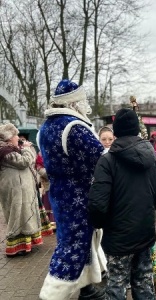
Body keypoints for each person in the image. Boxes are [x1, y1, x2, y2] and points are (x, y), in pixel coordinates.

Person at [88, 108, 156, 300]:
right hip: (144, 233)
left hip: (118, 237)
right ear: (137, 129)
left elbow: (98, 204)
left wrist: (103, 223)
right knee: (143, 283)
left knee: (117, 286)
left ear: (115, 132)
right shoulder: (151, 155)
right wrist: (145, 208)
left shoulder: (107, 161)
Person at [38, 79, 106, 300]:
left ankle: (86, 288)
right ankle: (51, 294)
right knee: (72, 246)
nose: (86, 105)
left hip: (59, 194)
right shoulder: (73, 127)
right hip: (79, 196)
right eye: (83, 100)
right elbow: (100, 158)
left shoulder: (45, 127)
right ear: (74, 101)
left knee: (78, 241)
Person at [0, 123, 43, 256]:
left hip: (20, 189)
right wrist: (26, 148)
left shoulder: (12, 149)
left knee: (24, 214)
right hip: (14, 190)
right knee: (17, 216)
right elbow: (24, 162)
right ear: (9, 137)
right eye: (16, 135)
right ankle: (16, 247)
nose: (18, 138)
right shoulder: (5, 151)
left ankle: (27, 244)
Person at [36, 152, 56, 230]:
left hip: (55, 187)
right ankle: (50, 223)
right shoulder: (39, 163)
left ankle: (55, 223)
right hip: (48, 187)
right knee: (49, 204)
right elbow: (44, 173)